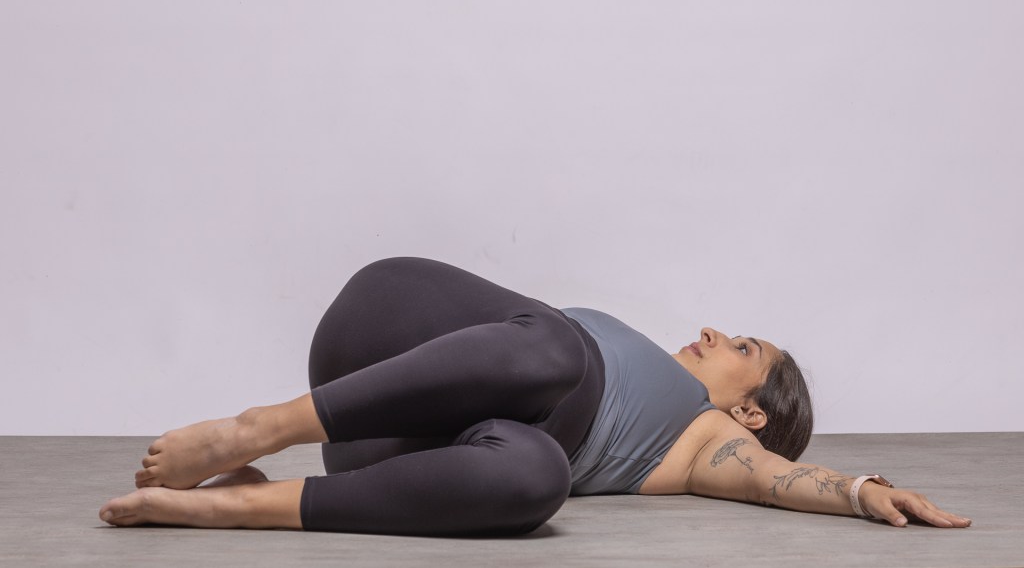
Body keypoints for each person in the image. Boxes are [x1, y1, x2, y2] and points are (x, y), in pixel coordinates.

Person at [99, 257, 971, 534]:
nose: (714, 332)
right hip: (381, 335)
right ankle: (258, 429)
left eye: (744, 349)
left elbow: (778, 479)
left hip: (386, 457)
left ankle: (239, 504)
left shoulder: (715, 441)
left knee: (538, 478)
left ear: (752, 412)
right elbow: (511, 346)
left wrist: (860, 490)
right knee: (555, 347)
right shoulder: (605, 351)